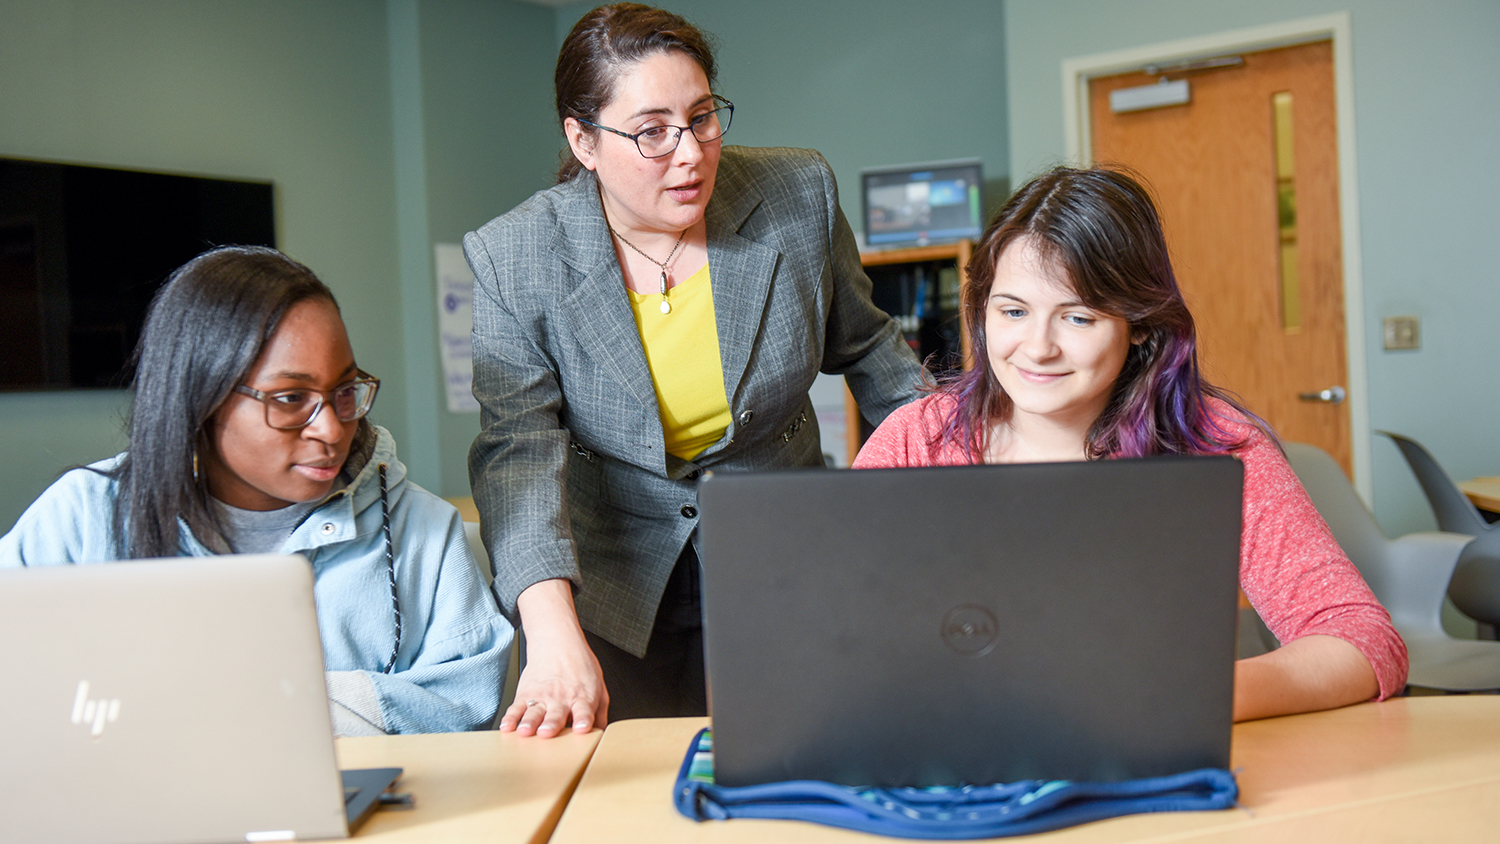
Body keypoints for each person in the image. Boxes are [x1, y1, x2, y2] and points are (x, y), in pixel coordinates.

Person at [465, 3, 926, 736]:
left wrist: (956, 478)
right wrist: (549, 631)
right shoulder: (514, 258)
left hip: (783, 556)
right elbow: (516, 451)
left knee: (796, 764)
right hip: (612, 576)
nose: (690, 153)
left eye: (703, 117)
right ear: (583, 140)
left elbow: (870, 351)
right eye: (651, 131)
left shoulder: (796, 195)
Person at [853, 166, 1408, 721]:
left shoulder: (1212, 447)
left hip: (1141, 759)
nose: (1037, 348)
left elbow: (1362, 640)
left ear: (1139, 324)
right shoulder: (915, 439)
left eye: (1077, 317)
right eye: (1014, 311)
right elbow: (831, 627)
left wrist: (1199, 692)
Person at [0, 246, 512, 736]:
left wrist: (235, 709)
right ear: (202, 396)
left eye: (344, 391)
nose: (332, 429)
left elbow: (463, 705)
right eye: (289, 399)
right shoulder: (80, 517)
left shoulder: (420, 528)